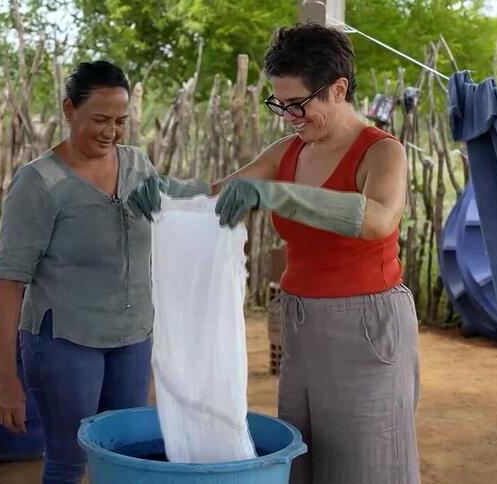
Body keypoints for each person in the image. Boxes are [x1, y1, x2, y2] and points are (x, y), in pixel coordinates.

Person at [134, 23, 421, 484]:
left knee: (364, 463)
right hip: (300, 322)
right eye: (279, 104)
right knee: (301, 455)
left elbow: (380, 219)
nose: (289, 116)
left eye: (298, 104)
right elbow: (216, 195)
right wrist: (168, 191)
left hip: (366, 326)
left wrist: (279, 195)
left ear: (338, 89)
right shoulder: (287, 151)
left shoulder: (382, 152)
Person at [0, 60, 206, 484]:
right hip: (65, 343)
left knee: (125, 457)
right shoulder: (39, 184)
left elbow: (182, 201)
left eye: (121, 121)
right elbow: (9, 284)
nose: (111, 131)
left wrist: (245, 185)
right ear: (69, 110)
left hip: (131, 338)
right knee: (70, 461)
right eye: (100, 119)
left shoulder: (137, 165)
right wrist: (6, 380)